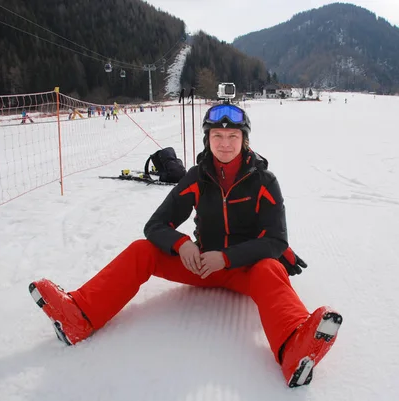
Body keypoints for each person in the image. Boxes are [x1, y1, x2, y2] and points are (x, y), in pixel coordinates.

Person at [28, 103, 343, 388]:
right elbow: (155, 226)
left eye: (232, 135)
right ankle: (78, 317)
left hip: (246, 269)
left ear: (244, 139)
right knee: (142, 250)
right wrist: (182, 245)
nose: (224, 143)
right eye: (217, 135)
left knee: (271, 268)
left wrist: (228, 258)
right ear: (207, 139)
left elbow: (276, 241)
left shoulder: (264, 181)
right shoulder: (196, 178)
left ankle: (293, 348)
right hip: (201, 265)